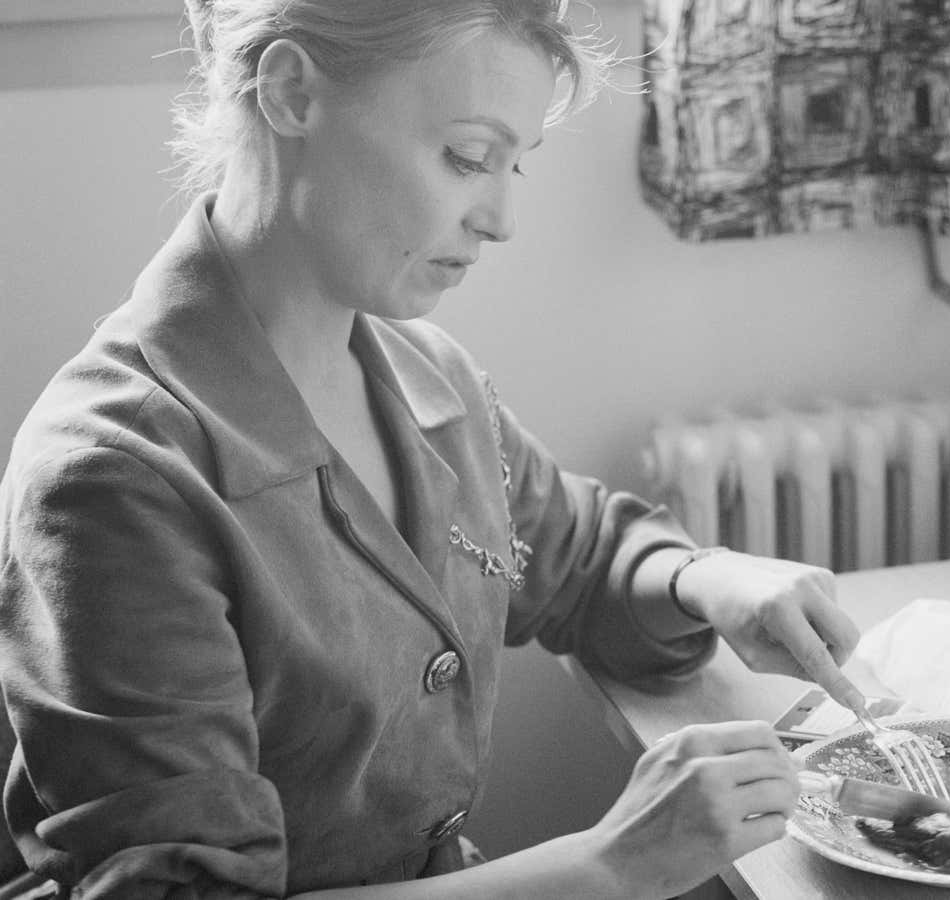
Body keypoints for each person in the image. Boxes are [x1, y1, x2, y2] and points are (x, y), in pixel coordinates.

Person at [0, 1, 868, 897]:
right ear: (292, 92)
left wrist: (710, 580)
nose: (500, 220)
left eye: (514, 165)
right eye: (466, 157)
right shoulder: (117, 477)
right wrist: (610, 863)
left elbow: (575, 557)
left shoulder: (429, 377)